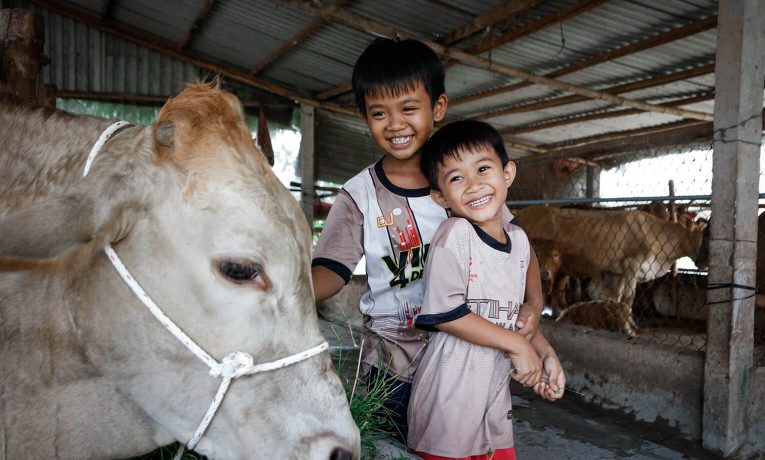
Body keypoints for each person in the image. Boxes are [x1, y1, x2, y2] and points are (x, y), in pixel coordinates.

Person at [311, 37, 545, 441]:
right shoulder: (359, 195)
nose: (395, 124)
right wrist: (285, 292)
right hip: (393, 368)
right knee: (392, 447)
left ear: (437, 107)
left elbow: (517, 244)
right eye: (379, 113)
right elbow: (332, 268)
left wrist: (535, 303)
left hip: (467, 362)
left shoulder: (467, 183)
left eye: (408, 108)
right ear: (364, 116)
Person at [408, 120, 566, 460]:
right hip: (448, 402)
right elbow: (448, 315)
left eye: (483, 168)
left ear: (507, 173)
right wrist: (517, 346)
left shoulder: (520, 243)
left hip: (493, 404)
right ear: (440, 196)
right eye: (456, 178)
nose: (474, 185)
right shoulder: (454, 234)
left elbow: (513, 318)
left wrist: (544, 355)